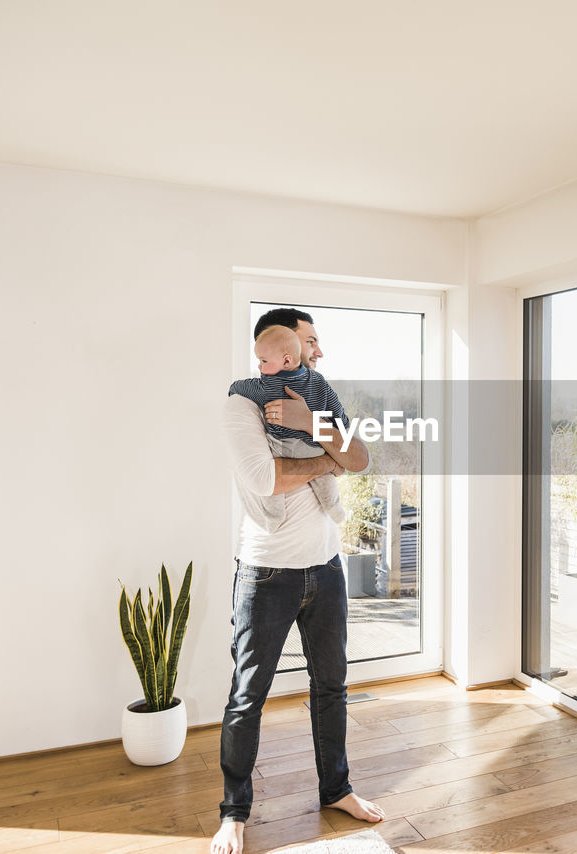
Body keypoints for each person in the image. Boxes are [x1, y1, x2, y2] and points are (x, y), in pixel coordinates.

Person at [212, 308, 384, 854]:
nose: (320, 352)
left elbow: (357, 458)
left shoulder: (317, 398)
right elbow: (266, 479)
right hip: (266, 573)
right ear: (286, 348)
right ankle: (233, 813)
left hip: (326, 568)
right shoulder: (242, 405)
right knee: (248, 697)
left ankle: (337, 789)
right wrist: (323, 463)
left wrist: (311, 425)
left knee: (331, 687)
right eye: (312, 342)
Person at [227, 324, 344, 528]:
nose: (261, 367)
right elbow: (336, 408)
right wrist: (340, 424)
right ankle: (335, 510)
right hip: (313, 447)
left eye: (264, 361)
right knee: (325, 482)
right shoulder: (318, 381)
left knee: (273, 492)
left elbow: (242, 386)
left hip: (283, 448)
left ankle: (274, 519)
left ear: (286, 360)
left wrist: (232, 388)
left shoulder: (269, 384)